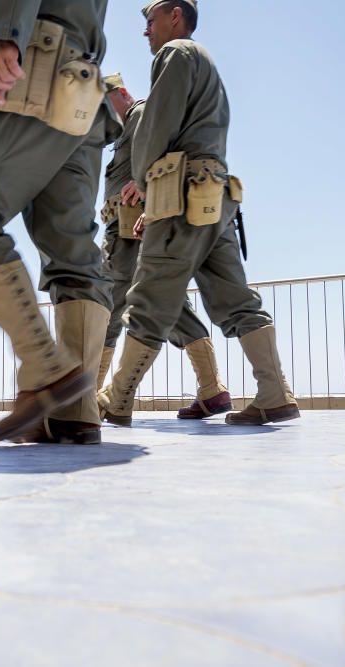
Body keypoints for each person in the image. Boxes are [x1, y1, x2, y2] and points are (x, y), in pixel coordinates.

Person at [98, 0, 299, 426]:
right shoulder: (204, 63)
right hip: (214, 195)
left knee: (149, 296)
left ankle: (114, 400)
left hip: (183, 193)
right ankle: (275, 392)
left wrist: (152, 191)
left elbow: (158, 125)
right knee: (234, 299)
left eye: (150, 21)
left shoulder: (177, 54)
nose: (145, 32)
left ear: (175, 16)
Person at [0, 1, 113, 443]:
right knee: (73, 251)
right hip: (79, 93)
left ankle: (45, 368)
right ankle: (76, 412)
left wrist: (1, 33)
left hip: (30, 67)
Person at [97, 73, 231, 423]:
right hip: (123, 227)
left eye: (104, 102)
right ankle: (211, 388)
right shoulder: (124, 129)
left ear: (121, 93)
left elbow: (166, 155)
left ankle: (89, 398)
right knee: (160, 303)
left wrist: (144, 191)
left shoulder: (140, 115)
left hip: (132, 229)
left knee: (114, 305)